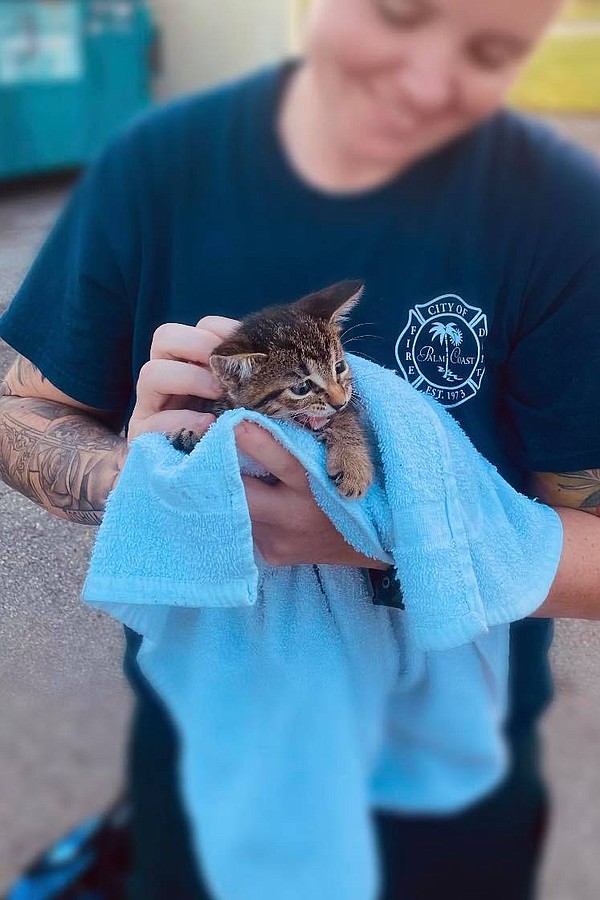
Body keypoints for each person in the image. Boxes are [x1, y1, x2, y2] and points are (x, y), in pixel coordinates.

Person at [1, 0, 600, 897]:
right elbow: (20, 410)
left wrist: (384, 529)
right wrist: (151, 488)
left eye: (490, 50)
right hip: (208, 756)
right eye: (400, 15)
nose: (427, 78)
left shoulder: (555, 212)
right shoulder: (156, 168)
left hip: (451, 778)